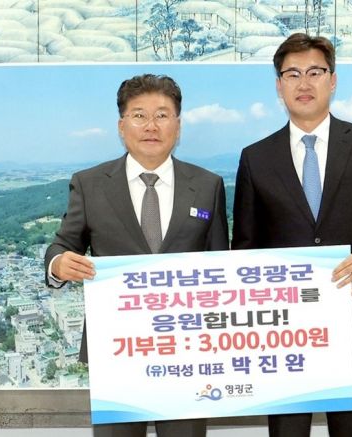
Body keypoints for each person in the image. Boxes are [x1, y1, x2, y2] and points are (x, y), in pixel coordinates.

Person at [232, 33, 352, 437]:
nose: (304, 83)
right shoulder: (255, 157)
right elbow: (244, 247)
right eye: (292, 74)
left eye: (315, 72)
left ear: (332, 80)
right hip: (282, 328)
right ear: (278, 85)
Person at [44, 74, 229, 437]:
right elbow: (61, 245)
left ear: (178, 125)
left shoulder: (209, 185)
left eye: (162, 115)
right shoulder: (89, 184)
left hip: (188, 351)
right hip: (117, 349)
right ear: (121, 126)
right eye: (139, 115)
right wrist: (58, 264)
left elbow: (221, 265)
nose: (151, 126)